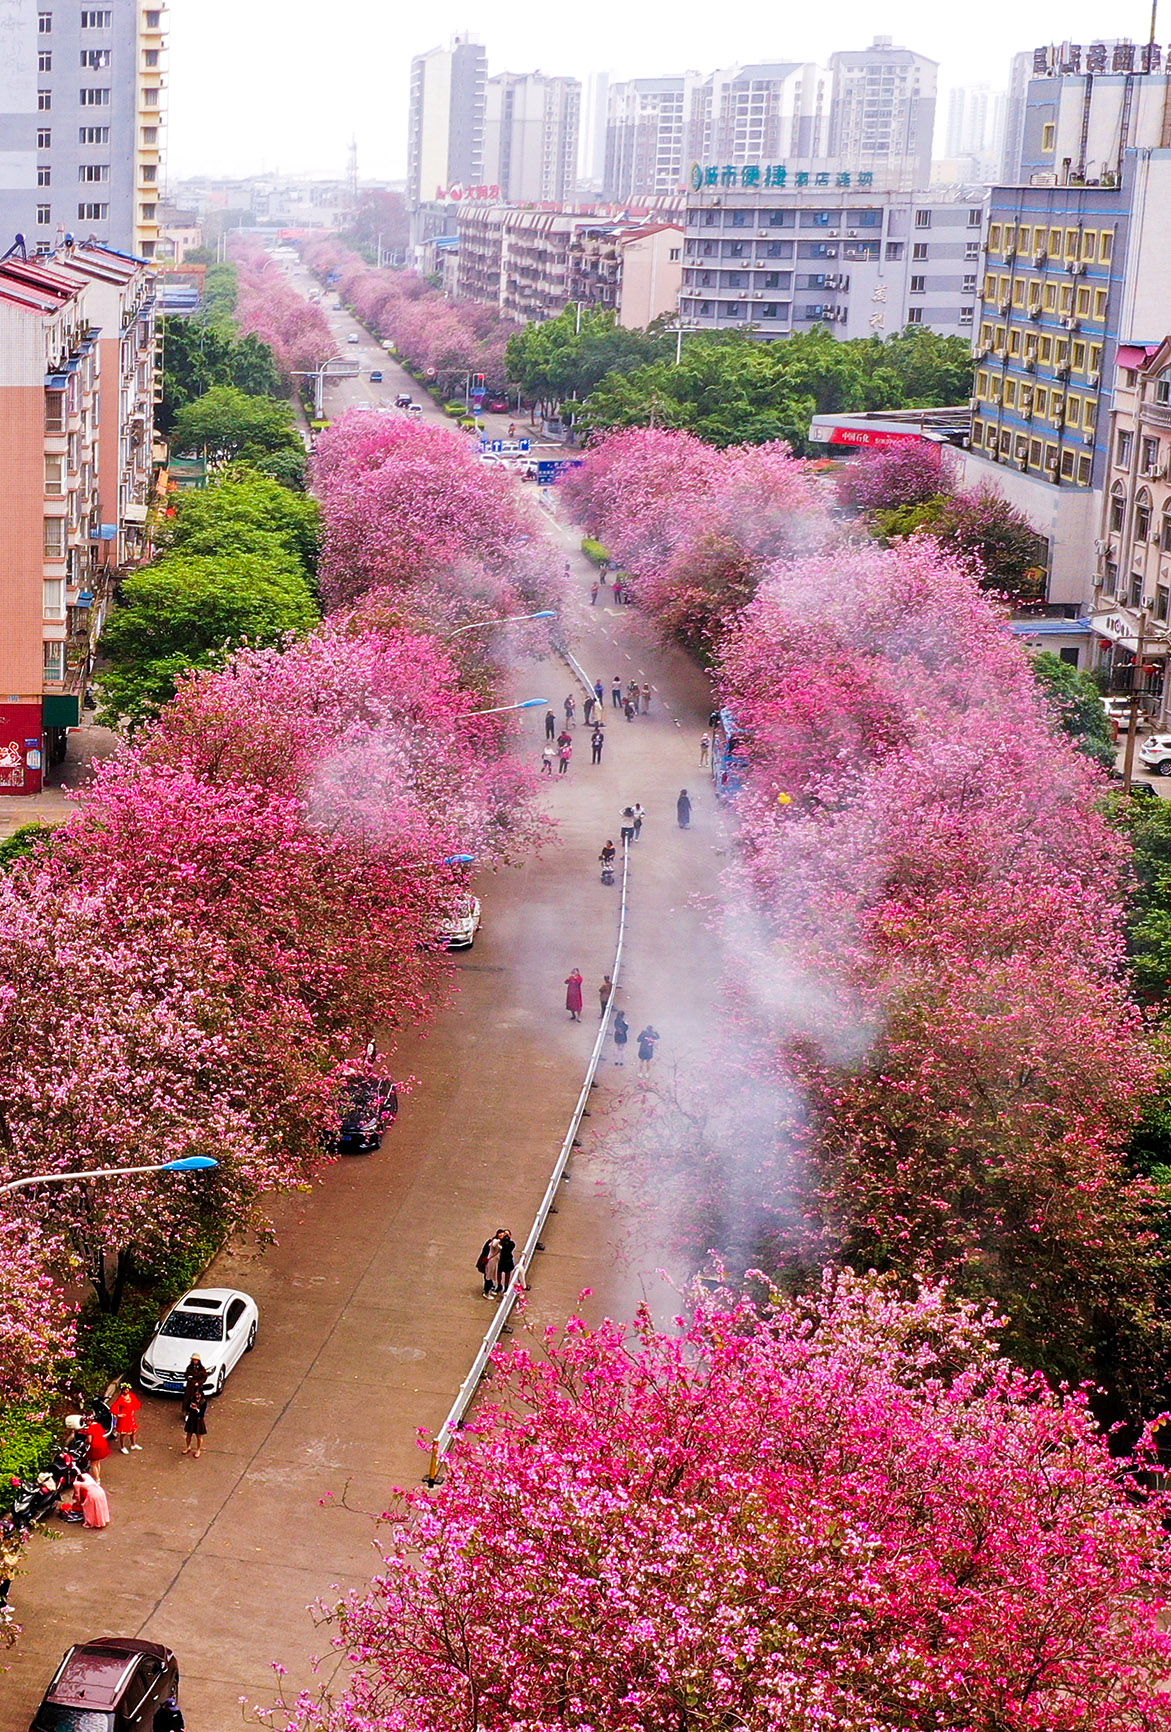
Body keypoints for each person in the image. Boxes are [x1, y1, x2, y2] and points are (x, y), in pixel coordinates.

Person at [111, 1383, 142, 1454]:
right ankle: (122, 1447)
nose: (126, 1391)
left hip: (130, 1416)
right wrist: (118, 1414)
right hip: (124, 1418)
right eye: (125, 1390)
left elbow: (135, 1402)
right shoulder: (120, 1399)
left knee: (133, 1431)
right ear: (122, 1390)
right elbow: (114, 1407)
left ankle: (133, 1444)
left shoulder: (131, 1395)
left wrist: (133, 1409)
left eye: (127, 1390)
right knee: (123, 1433)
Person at [84, 1415, 111, 1482]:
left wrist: (85, 1441)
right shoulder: (98, 1425)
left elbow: (89, 1440)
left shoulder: (90, 1429)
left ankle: (97, 1479)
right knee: (97, 1462)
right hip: (103, 1444)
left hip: (95, 1447)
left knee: (93, 1464)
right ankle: (98, 1475)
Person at [182, 1389, 208, 1459]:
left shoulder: (203, 1402)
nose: (197, 1396)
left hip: (198, 1420)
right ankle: (188, 1447)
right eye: (196, 1394)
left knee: (199, 1436)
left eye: (198, 1394)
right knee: (188, 1435)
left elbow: (202, 1414)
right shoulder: (191, 1400)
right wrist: (190, 1408)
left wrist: (197, 1409)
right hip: (191, 1419)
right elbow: (187, 1408)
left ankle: (198, 1450)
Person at [477, 1232, 502, 1298]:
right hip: (490, 1262)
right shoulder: (494, 1241)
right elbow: (494, 1245)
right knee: (488, 1277)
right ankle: (486, 1292)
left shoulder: (499, 1243)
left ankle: (490, 1290)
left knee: (492, 1276)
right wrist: (500, 1239)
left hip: (494, 1262)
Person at [495, 1229, 516, 1298]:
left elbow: (508, 1248)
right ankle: (499, 1285)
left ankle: (506, 1287)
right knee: (499, 1273)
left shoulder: (511, 1243)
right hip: (502, 1260)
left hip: (508, 1260)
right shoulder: (501, 1242)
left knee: (507, 1274)